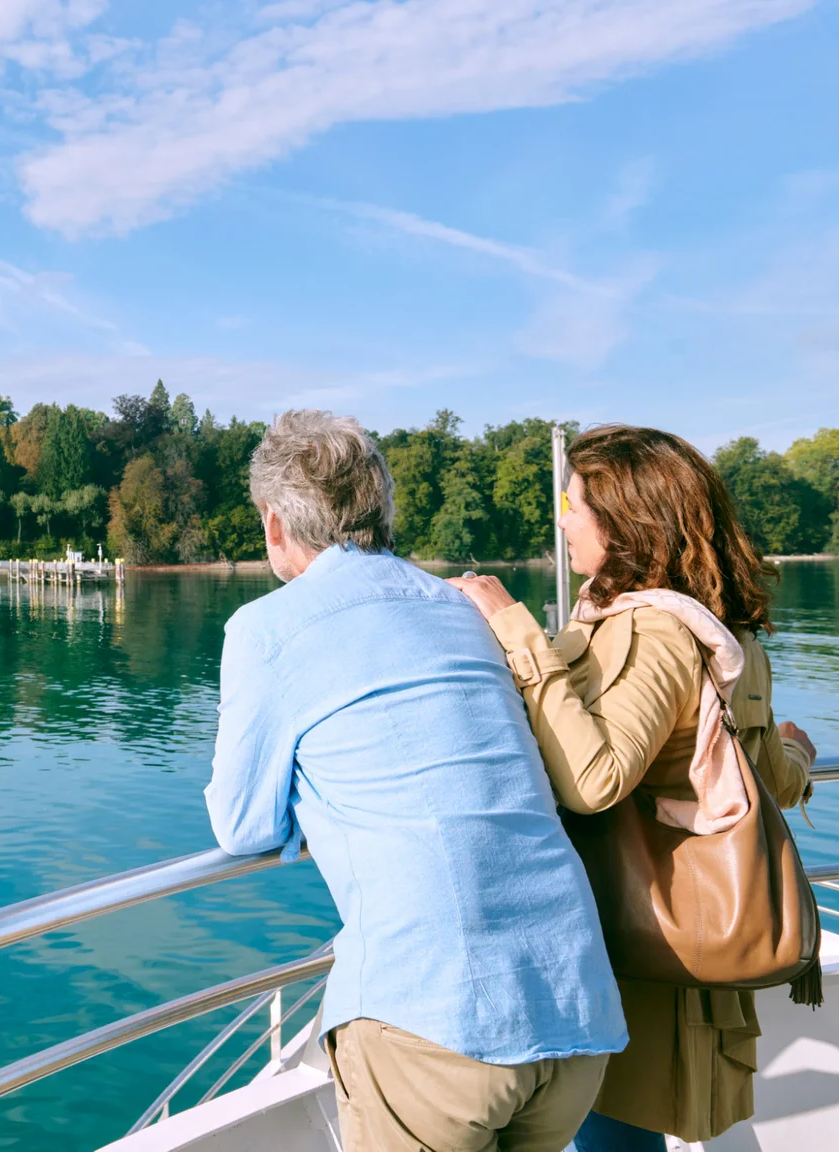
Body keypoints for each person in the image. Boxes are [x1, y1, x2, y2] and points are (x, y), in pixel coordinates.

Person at [207, 409, 627, 1152]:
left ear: (274, 524)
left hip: (439, 1017)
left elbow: (242, 826)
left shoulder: (267, 629)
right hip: (575, 1012)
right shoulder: (464, 609)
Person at [448, 425, 817, 1151]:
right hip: (681, 925)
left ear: (623, 522)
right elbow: (762, 776)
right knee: (627, 1125)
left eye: (573, 504)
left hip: (631, 923)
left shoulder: (651, 630)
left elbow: (595, 780)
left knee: (613, 1128)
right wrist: (800, 758)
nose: (562, 520)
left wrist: (515, 631)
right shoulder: (725, 627)